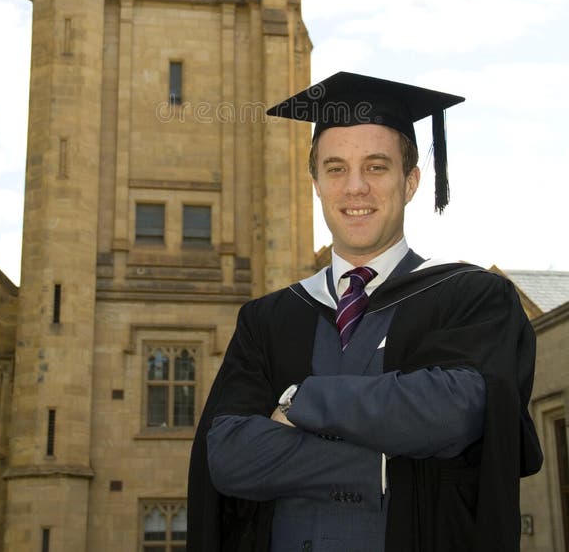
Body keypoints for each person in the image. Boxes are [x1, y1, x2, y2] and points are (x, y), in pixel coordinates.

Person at [187, 72, 542, 552]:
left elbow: (457, 412)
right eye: (335, 169)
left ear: (410, 181)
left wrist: (298, 403)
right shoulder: (267, 319)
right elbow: (228, 455)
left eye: (376, 167)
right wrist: (380, 465)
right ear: (315, 183)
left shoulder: (471, 297)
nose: (355, 188)